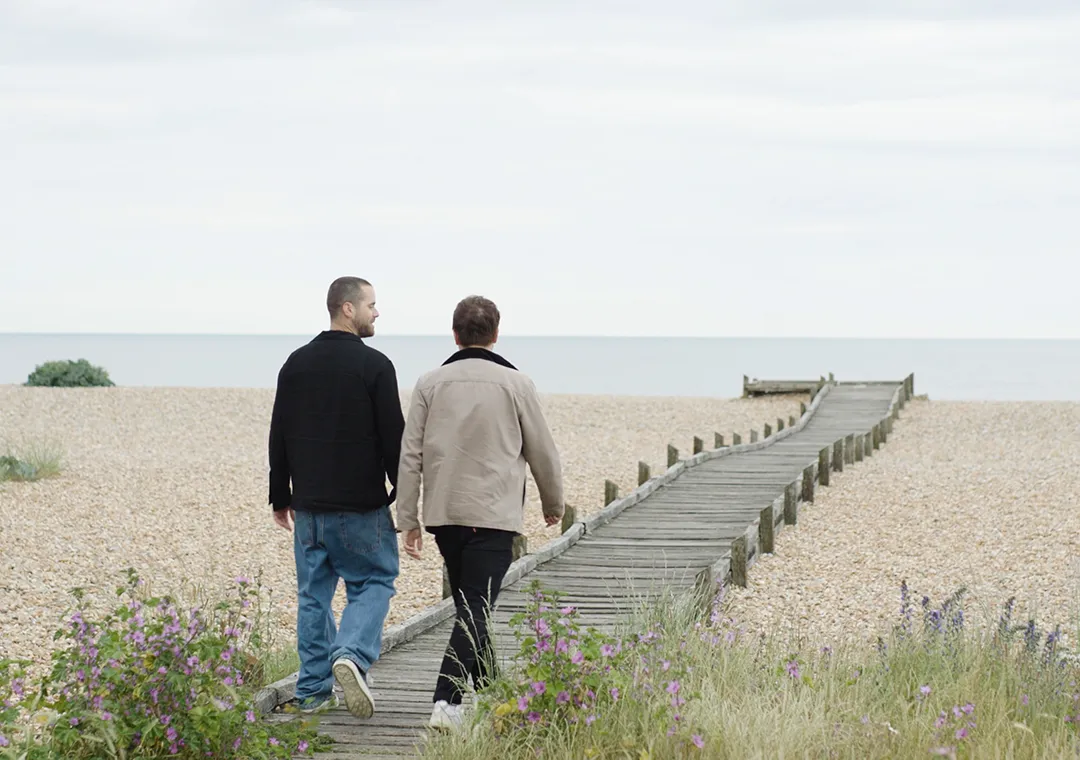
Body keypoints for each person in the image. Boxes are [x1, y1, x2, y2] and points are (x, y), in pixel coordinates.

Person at [395, 295, 565, 731]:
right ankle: (446, 702)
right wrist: (553, 503)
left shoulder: (429, 383)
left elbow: (409, 455)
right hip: (494, 513)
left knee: (473, 604)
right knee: (476, 608)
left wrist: (409, 519)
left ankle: (495, 698)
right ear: (495, 333)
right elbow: (542, 450)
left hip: (445, 514)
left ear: (455, 334)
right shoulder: (516, 384)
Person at [267, 276, 404, 719]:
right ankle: (352, 654)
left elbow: (280, 431)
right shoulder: (376, 365)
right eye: (371, 305)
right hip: (360, 507)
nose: (376, 312)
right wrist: (403, 489)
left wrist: (279, 494)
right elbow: (393, 436)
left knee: (313, 596)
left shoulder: (295, 363)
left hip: (308, 507)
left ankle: (312, 692)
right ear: (348, 308)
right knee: (375, 580)